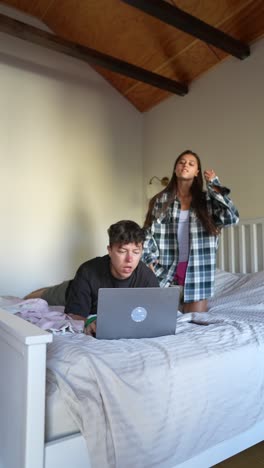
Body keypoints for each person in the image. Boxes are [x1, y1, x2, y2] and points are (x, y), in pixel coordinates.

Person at [142, 149, 239, 313]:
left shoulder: (207, 201)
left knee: (194, 320)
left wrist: (214, 185)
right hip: (165, 268)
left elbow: (231, 218)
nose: (185, 165)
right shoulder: (160, 200)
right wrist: (148, 257)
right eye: (181, 162)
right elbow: (147, 232)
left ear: (197, 172)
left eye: (191, 163)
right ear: (175, 169)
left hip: (197, 269)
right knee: (160, 319)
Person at [25, 220, 159, 335]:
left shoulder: (147, 277)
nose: (130, 259)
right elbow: (74, 315)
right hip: (72, 290)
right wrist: (88, 321)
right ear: (110, 250)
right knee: (34, 298)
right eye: (122, 251)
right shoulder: (87, 272)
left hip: (90, 294)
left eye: (136, 252)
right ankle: (36, 292)